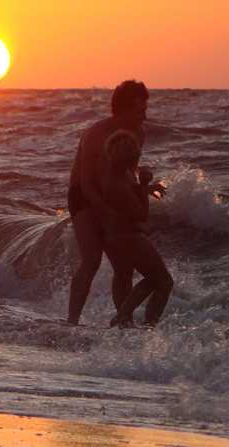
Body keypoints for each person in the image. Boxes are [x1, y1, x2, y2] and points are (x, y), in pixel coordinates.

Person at [66, 80, 165, 325]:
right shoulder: (96, 134)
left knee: (124, 268)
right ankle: (72, 321)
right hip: (83, 196)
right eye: (140, 110)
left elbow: (126, 172)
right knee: (92, 260)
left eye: (145, 109)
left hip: (112, 194)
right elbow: (87, 183)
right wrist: (105, 212)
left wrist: (143, 188)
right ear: (122, 111)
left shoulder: (138, 133)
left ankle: (124, 321)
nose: (145, 115)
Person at [100, 130, 174, 327]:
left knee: (133, 277)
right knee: (163, 281)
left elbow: (130, 193)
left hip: (114, 236)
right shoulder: (118, 183)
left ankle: (126, 318)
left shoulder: (119, 172)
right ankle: (141, 323)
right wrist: (144, 183)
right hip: (128, 236)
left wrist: (144, 188)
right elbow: (141, 214)